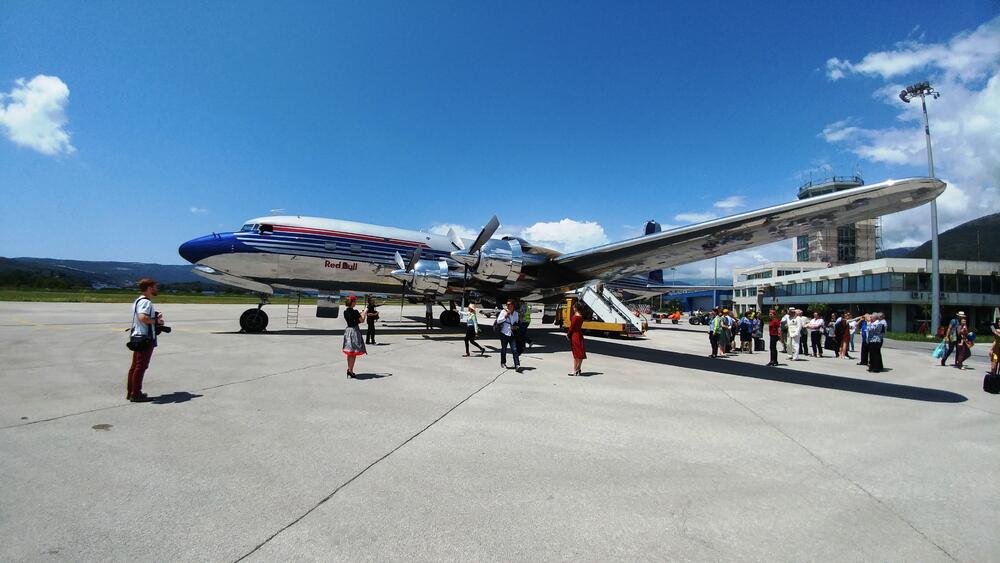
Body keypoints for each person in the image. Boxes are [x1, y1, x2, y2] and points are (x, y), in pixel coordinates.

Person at [126, 278, 164, 402]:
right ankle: (136, 394)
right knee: (141, 366)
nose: (156, 289)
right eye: (154, 287)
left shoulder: (138, 301)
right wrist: (157, 321)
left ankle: (131, 391)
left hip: (137, 336)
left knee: (135, 366)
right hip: (145, 338)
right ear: (149, 288)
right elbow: (143, 317)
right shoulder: (146, 302)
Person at [342, 295, 367, 378]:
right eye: (355, 301)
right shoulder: (355, 312)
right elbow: (362, 320)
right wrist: (364, 313)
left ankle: (349, 369)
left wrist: (359, 314)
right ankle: (350, 371)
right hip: (354, 332)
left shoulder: (345, 312)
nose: (356, 302)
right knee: (353, 353)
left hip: (348, 331)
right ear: (352, 303)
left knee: (349, 352)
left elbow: (352, 319)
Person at [495, 300, 522, 372]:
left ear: (513, 305)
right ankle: (503, 362)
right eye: (507, 304)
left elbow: (516, 322)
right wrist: (505, 316)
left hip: (512, 334)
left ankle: (517, 364)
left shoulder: (516, 313)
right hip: (504, 333)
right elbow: (498, 321)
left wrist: (516, 326)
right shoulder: (503, 312)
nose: (508, 306)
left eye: (509, 304)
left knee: (514, 349)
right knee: (504, 349)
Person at [566, 301, 586, 376]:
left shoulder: (575, 317)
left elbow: (571, 328)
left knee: (576, 354)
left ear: (576, 308)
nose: (573, 308)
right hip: (579, 334)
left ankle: (574, 370)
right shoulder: (581, 316)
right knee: (580, 353)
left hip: (575, 335)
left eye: (574, 307)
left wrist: (568, 335)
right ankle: (578, 368)